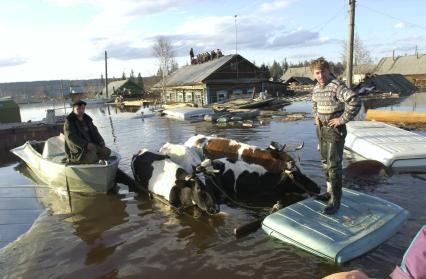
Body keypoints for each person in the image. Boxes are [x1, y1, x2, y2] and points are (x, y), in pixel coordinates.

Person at [311, 57, 361, 215]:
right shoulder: (316, 88)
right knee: (325, 163)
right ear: (314, 74)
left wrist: (341, 119)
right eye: (317, 73)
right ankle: (329, 192)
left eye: (323, 72)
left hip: (335, 130)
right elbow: (313, 102)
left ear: (328, 70)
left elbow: (354, 101)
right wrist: (316, 115)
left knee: (334, 167)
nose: (321, 76)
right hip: (321, 129)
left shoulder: (336, 85)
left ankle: (336, 201)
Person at [64, 100, 111, 164]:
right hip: (79, 149)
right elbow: (71, 137)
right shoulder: (69, 121)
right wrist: (85, 144)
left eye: (83, 108)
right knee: (92, 158)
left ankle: (96, 158)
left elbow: (95, 132)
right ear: (73, 109)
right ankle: (81, 160)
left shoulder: (87, 119)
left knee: (107, 152)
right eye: (78, 109)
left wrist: (101, 141)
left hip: (92, 145)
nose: (81, 111)